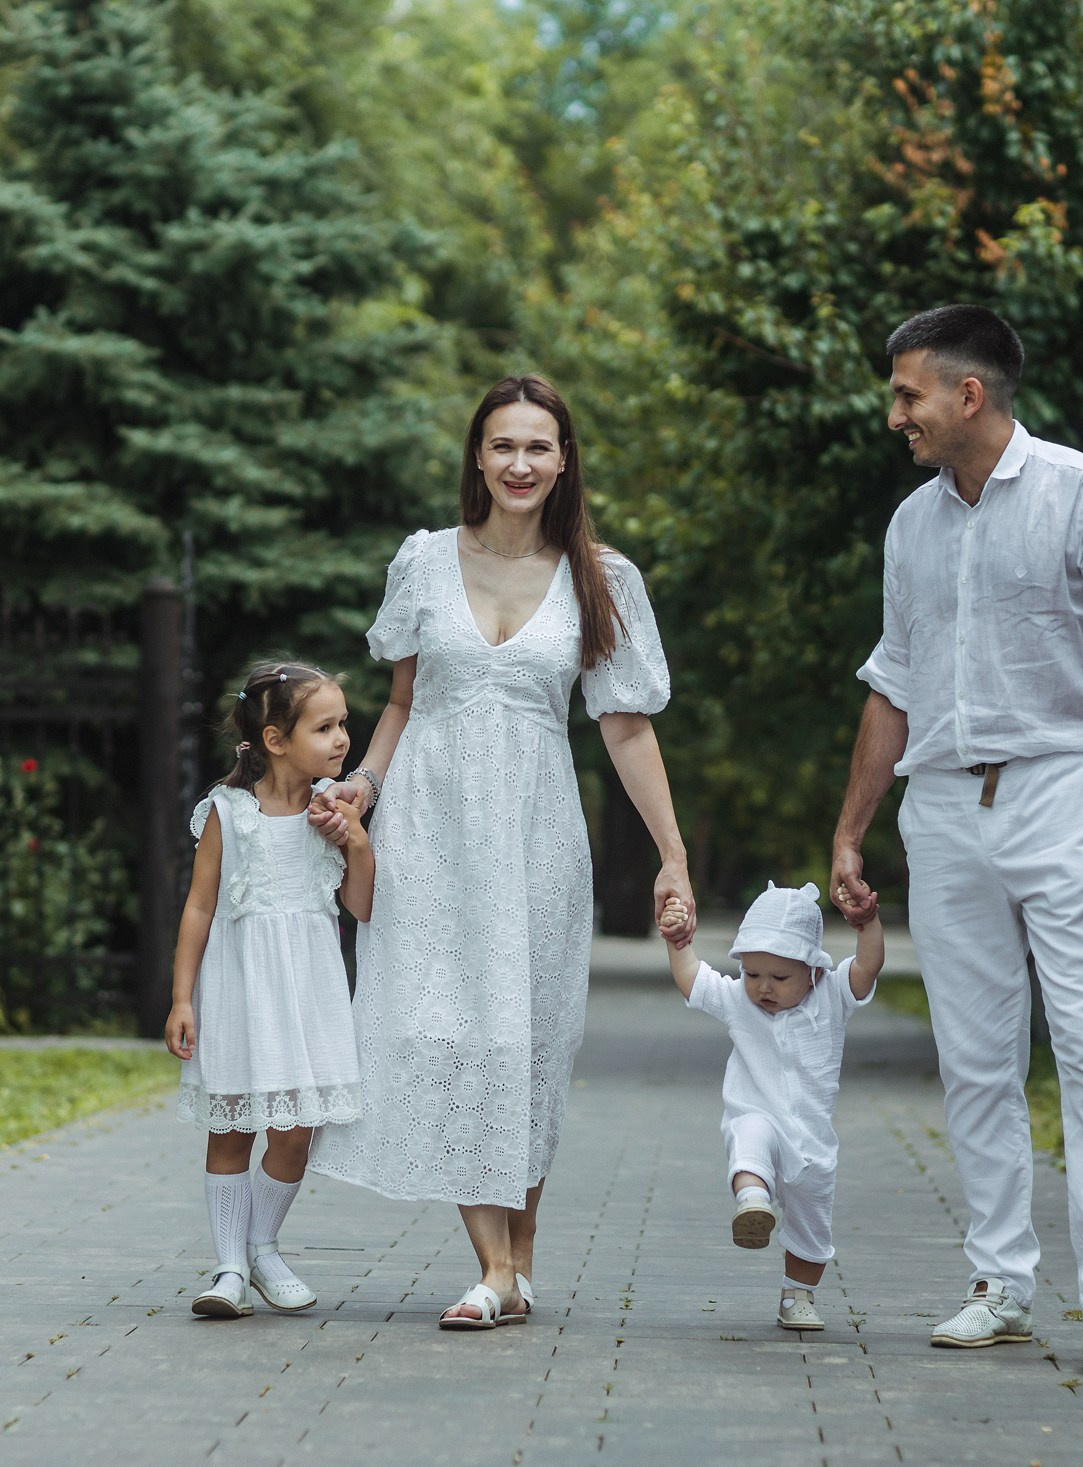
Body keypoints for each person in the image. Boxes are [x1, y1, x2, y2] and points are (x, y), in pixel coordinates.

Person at [829, 305, 1083, 1364]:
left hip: (1069, 798)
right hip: (942, 806)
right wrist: (852, 831)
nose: (896, 414)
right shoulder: (911, 524)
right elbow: (892, 683)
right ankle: (1000, 1281)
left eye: (907, 394)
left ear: (966, 394)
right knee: (974, 1058)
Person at [308, 375, 695, 1331]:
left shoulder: (601, 576)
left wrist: (672, 857)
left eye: (538, 447)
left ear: (564, 461)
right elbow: (399, 700)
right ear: (477, 457)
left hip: (535, 834)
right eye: (502, 445)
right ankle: (491, 1266)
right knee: (449, 1033)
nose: (519, 463)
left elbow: (628, 730)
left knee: (525, 1042)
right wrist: (366, 784)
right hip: (431, 832)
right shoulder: (426, 560)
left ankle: (517, 1265)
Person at [165, 661, 375, 1320]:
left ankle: (262, 1245)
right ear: (276, 739)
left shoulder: (335, 810)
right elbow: (198, 908)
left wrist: (358, 841)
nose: (342, 738)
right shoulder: (228, 811)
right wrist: (181, 997)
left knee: (293, 1133)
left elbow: (362, 905)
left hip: (307, 992)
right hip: (238, 990)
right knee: (231, 1130)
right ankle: (229, 1266)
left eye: (344, 724)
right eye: (325, 726)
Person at [657, 883, 883, 1332]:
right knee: (750, 1137)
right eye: (752, 973)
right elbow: (693, 979)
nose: (763, 988)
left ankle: (798, 1297)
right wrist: (678, 942)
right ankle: (753, 1201)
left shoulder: (833, 998)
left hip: (812, 1142)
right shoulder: (739, 1002)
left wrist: (867, 924)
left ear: (814, 972)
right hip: (757, 1117)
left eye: (780, 979)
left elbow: (868, 965)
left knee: (812, 1228)